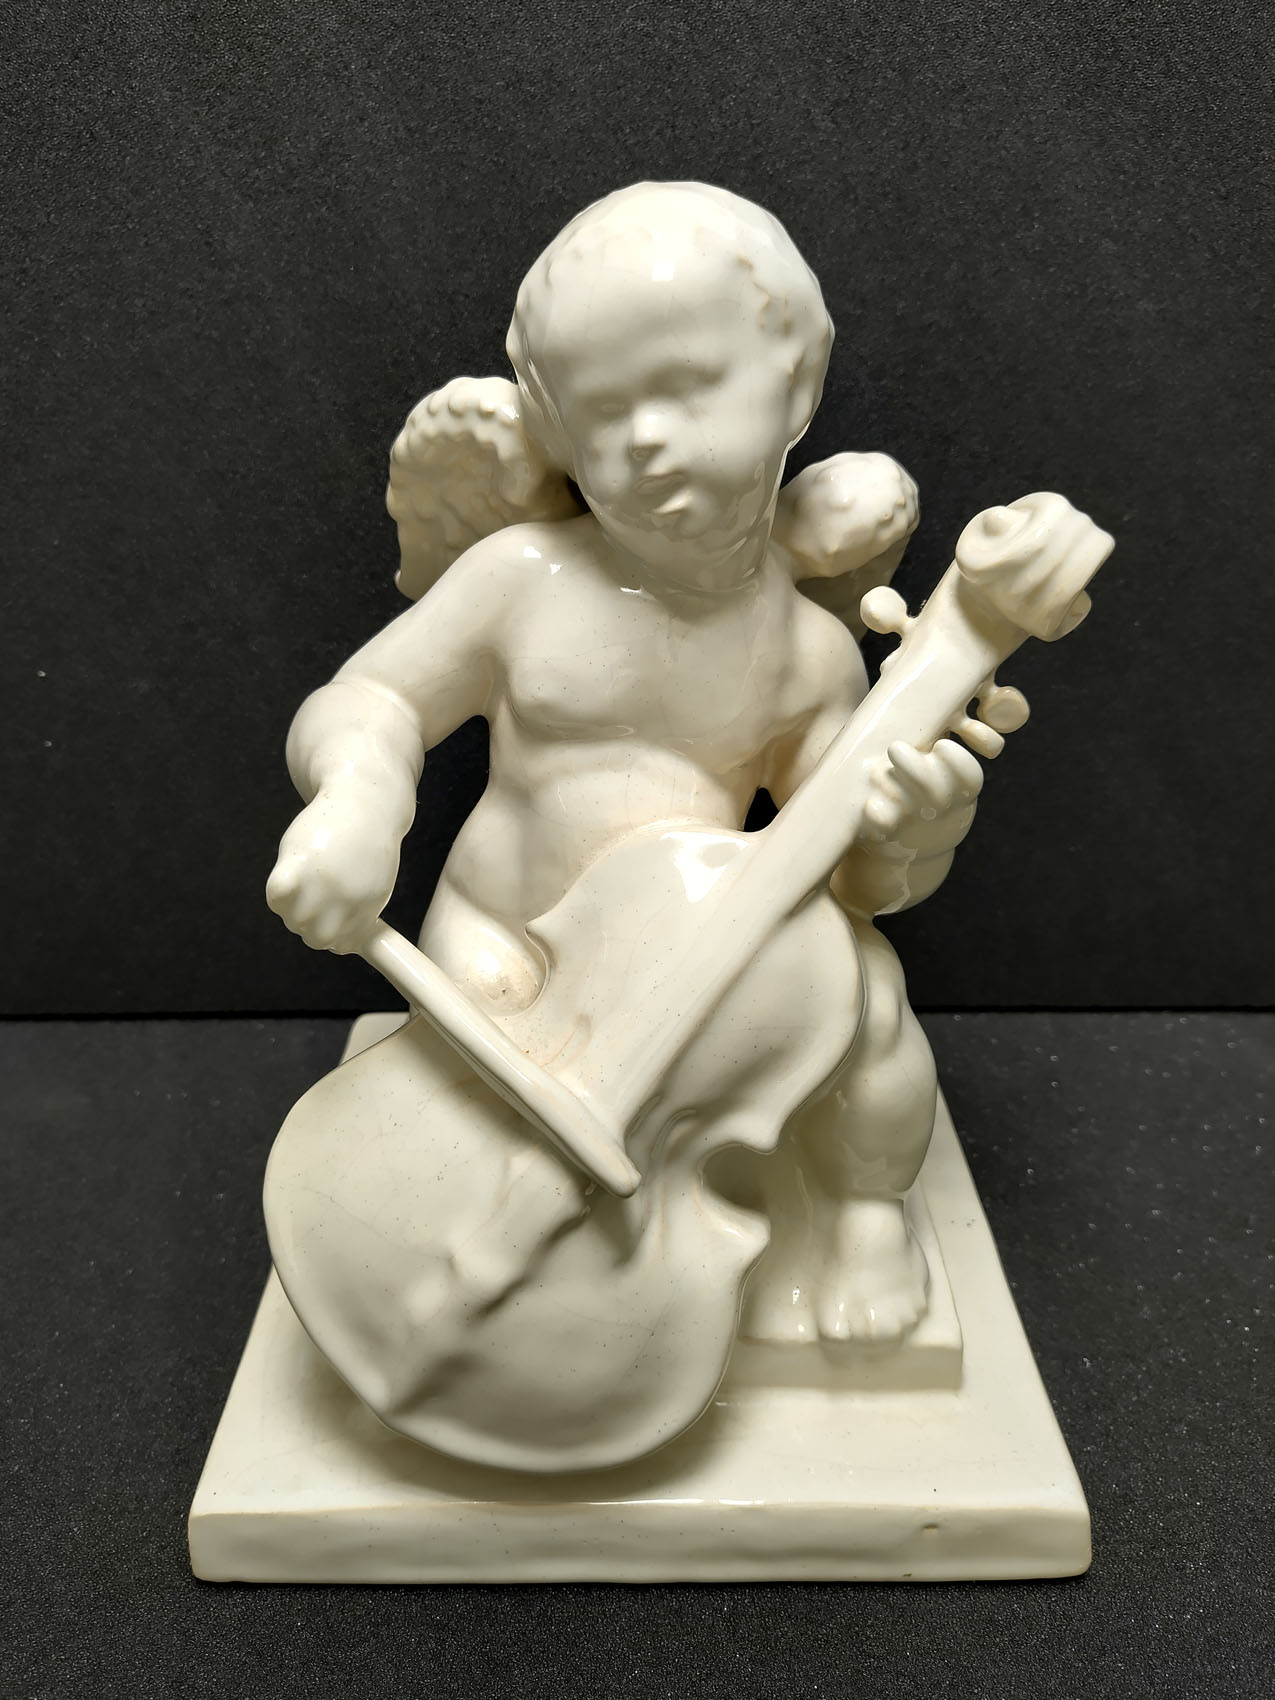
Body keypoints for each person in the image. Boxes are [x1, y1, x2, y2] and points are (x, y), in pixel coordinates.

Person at [266, 182, 982, 1345]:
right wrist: (359, 799)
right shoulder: (523, 579)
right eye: (600, 411)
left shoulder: (804, 652)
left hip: (692, 965)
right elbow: (371, 694)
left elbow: (846, 873)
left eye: (687, 387)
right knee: (475, 1135)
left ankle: (863, 1208)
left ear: (796, 388)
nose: (642, 438)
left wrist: (918, 831)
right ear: (556, 432)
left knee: (868, 999)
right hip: (496, 949)